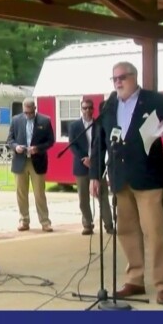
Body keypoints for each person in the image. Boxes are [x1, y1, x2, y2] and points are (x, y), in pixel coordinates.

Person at [89, 61, 163, 306]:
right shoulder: (108, 105)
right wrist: (94, 176)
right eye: (114, 79)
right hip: (120, 178)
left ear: (134, 77)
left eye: (122, 77)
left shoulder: (154, 101)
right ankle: (135, 279)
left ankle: (162, 285)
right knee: (126, 230)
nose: (118, 82)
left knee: (153, 231)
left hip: (147, 177)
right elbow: (99, 143)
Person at [7, 98, 55, 232]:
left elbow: (51, 141)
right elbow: (10, 140)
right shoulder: (16, 120)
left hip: (37, 161)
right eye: (25, 113)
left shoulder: (45, 121)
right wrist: (16, 147)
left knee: (39, 193)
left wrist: (38, 148)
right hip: (20, 161)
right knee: (21, 193)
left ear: (35, 109)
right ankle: (24, 220)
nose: (28, 115)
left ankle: (45, 221)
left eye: (30, 112)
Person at [69, 98, 112, 235]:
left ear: (93, 109)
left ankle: (109, 224)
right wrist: (84, 158)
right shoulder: (74, 126)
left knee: (103, 196)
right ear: (81, 110)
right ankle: (87, 224)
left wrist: (94, 159)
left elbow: (103, 146)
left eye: (90, 108)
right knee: (83, 198)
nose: (87, 110)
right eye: (85, 108)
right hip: (81, 166)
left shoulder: (99, 125)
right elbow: (72, 145)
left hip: (97, 165)